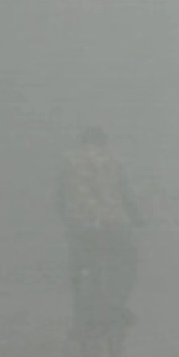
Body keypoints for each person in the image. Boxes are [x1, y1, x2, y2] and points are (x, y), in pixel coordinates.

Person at [53, 126, 144, 340]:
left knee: (78, 270)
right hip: (114, 225)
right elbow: (126, 194)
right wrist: (138, 219)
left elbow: (59, 197)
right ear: (104, 142)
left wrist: (67, 219)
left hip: (80, 227)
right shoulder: (114, 161)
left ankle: (79, 319)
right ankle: (117, 305)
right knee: (129, 261)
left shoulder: (67, 161)